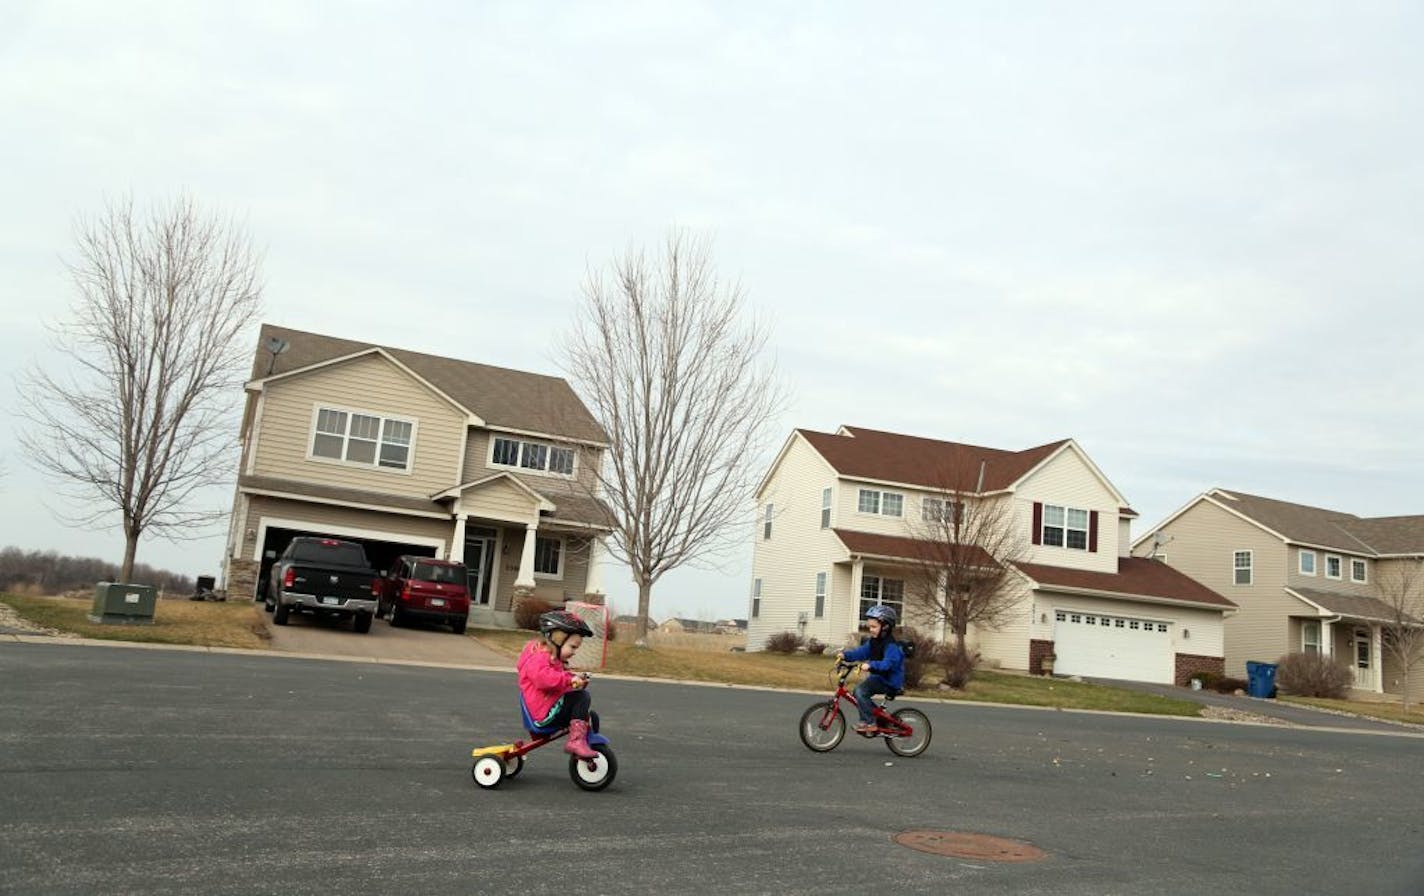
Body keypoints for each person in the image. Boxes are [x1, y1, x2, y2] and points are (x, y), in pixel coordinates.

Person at [517, 609, 599, 759]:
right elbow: (543, 679)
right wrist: (569, 680)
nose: (574, 652)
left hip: (547, 707)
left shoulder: (552, 660)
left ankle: (581, 741)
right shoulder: (539, 658)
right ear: (557, 640)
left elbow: (557, 680)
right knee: (581, 698)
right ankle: (576, 741)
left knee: (587, 711)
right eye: (573, 647)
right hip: (543, 715)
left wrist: (576, 679)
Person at [836, 605, 906, 735]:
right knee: (859, 692)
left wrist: (871, 665)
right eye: (870, 627)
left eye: (874, 627)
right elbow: (861, 652)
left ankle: (870, 722)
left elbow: (887, 665)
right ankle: (874, 718)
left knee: (860, 691)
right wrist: (846, 656)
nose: (871, 630)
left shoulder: (891, 646)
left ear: (885, 627)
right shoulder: (874, 642)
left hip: (890, 680)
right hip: (880, 678)